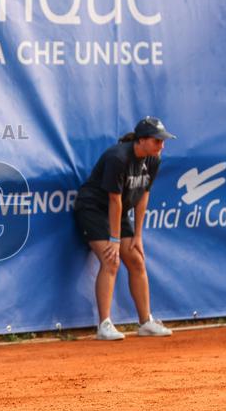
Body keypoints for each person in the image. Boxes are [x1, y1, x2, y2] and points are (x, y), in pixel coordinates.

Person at [73, 117, 175, 341]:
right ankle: (104, 325)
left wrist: (138, 235)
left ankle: (146, 322)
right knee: (111, 260)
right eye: (158, 141)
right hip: (93, 209)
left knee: (137, 260)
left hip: (118, 211)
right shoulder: (117, 158)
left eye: (163, 141)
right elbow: (114, 200)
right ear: (142, 140)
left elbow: (143, 196)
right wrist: (114, 240)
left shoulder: (154, 159)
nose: (162, 145)